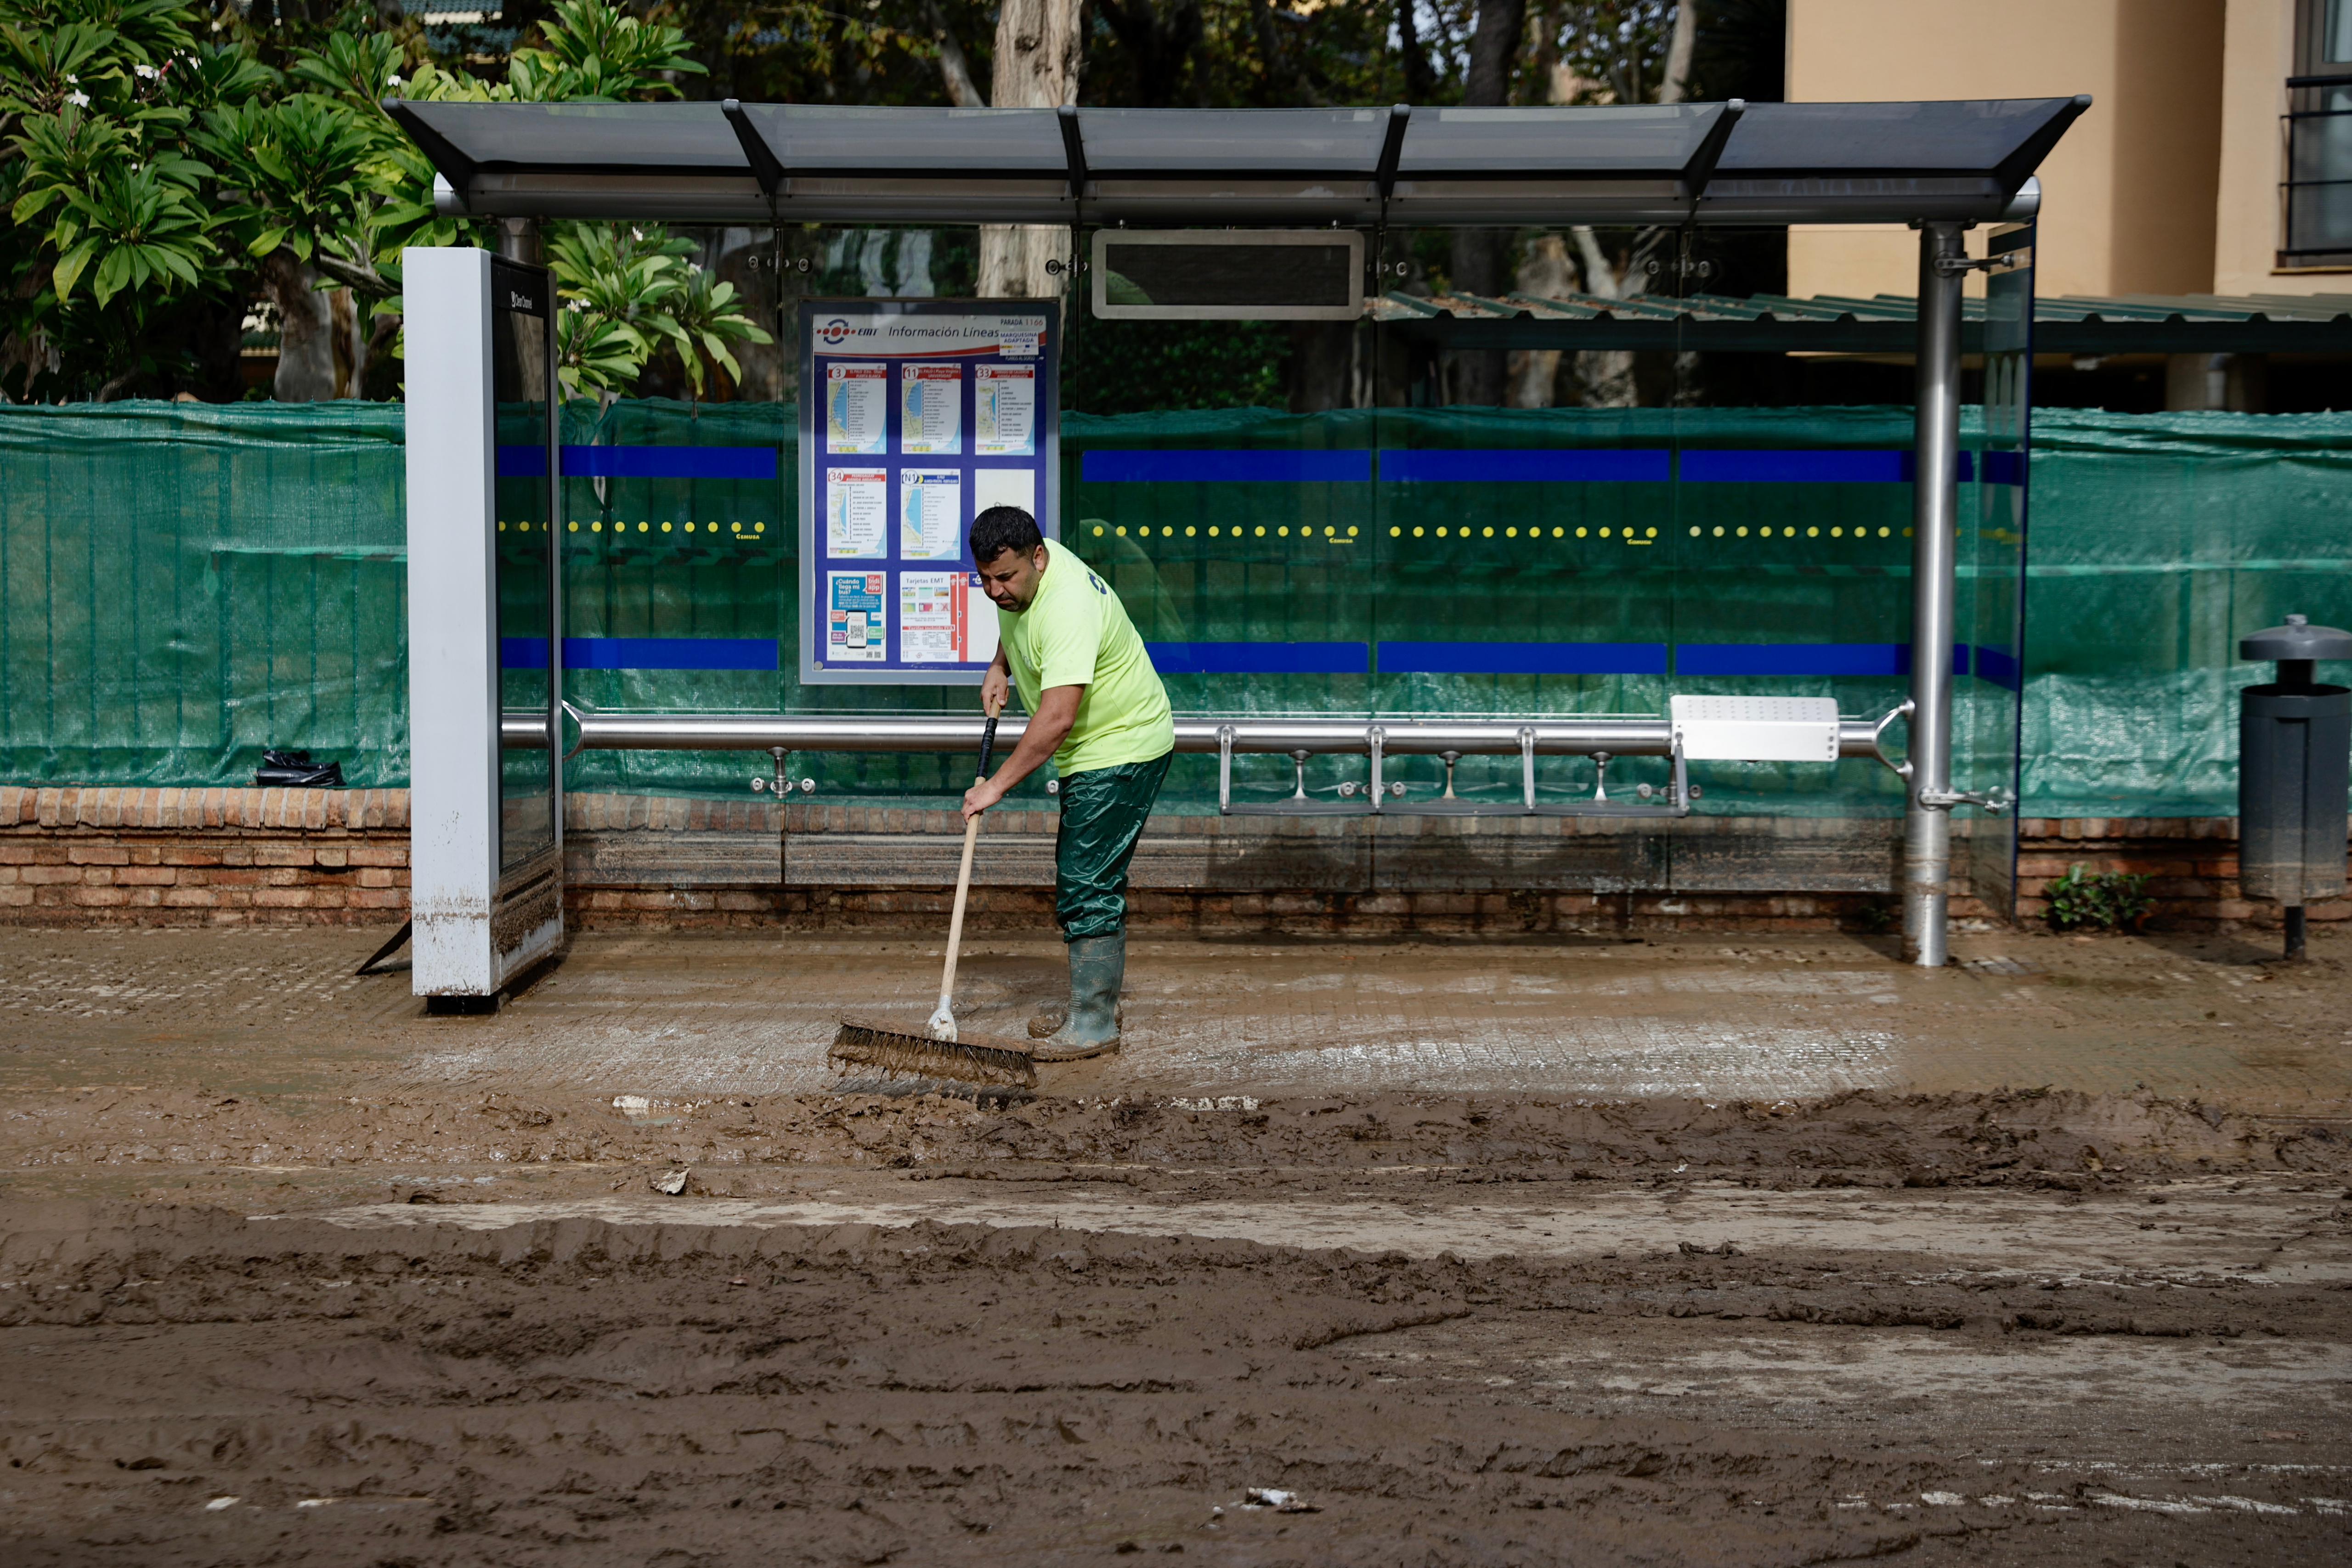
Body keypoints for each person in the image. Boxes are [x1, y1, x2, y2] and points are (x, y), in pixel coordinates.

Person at [961, 505, 1173, 1061]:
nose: (993, 590)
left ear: (1036, 558)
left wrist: (994, 787)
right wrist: (999, 666)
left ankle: (1093, 1023)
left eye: (1003, 577)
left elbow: (1055, 720)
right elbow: (1018, 621)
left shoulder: (1069, 605)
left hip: (1120, 746)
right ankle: (1093, 1004)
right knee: (1085, 875)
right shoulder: (1031, 568)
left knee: (1085, 881)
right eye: (983, 578)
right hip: (1093, 747)